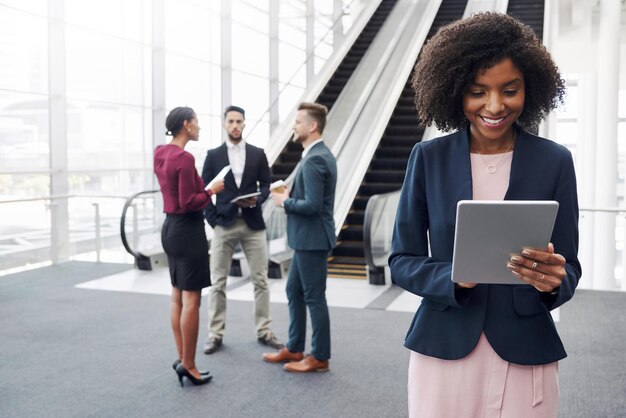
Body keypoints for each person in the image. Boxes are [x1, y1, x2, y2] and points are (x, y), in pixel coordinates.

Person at [389, 13, 581, 418]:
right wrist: (452, 277)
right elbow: (401, 261)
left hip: (525, 348)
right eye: (478, 91)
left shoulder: (555, 162)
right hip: (445, 346)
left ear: (529, 89)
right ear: (456, 91)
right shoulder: (428, 159)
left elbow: (570, 266)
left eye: (509, 90)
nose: (495, 106)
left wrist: (551, 283)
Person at [201, 105, 283, 354]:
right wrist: (213, 220)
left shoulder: (258, 154)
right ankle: (215, 334)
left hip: (252, 224)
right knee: (218, 282)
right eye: (231, 121)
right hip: (223, 225)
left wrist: (257, 200)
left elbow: (267, 185)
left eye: (239, 121)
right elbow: (203, 192)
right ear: (224, 124)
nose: (235, 125)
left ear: (244, 124)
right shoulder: (213, 155)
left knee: (261, 280)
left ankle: (264, 329)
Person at [263, 102, 337, 373]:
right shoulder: (313, 155)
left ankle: (319, 356)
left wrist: (285, 201)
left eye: (297, 122)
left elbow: (313, 205)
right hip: (306, 239)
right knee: (294, 290)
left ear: (312, 126)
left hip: (312, 240)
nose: (294, 126)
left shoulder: (316, 158)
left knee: (314, 297)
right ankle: (295, 347)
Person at [154, 106, 225, 387]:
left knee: (177, 297)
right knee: (192, 301)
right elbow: (188, 202)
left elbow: (176, 195)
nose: (199, 127)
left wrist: (200, 189)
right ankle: (190, 365)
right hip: (187, 231)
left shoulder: (161, 152)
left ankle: (183, 357)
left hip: (169, 230)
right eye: (196, 122)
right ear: (186, 124)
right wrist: (210, 191)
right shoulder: (184, 158)